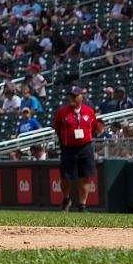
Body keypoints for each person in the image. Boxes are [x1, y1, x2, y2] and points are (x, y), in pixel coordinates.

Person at [52, 84, 101, 212]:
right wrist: (64, 141)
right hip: (68, 147)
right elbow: (57, 128)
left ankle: (82, 205)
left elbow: (95, 127)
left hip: (85, 147)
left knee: (85, 176)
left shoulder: (89, 111)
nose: (72, 98)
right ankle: (66, 198)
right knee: (66, 176)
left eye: (74, 96)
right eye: (70, 96)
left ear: (81, 97)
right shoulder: (62, 112)